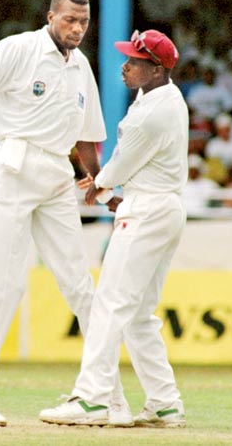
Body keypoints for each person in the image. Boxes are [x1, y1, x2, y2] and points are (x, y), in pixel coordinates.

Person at [0, 0, 128, 426]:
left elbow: (87, 137)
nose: (77, 29)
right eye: (70, 20)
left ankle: (105, 396)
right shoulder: (17, 48)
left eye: (84, 23)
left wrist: (102, 185)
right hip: (14, 166)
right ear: (50, 16)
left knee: (80, 286)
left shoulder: (82, 67)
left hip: (58, 175)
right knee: (4, 283)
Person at [39, 29, 188, 427]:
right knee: (138, 313)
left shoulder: (156, 112)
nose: (124, 66)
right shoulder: (158, 95)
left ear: (156, 69)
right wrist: (103, 181)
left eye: (134, 61)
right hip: (161, 208)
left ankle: (91, 400)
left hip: (147, 210)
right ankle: (165, 402)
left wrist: (100, 183)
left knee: (108, 304)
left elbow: (122, 164)